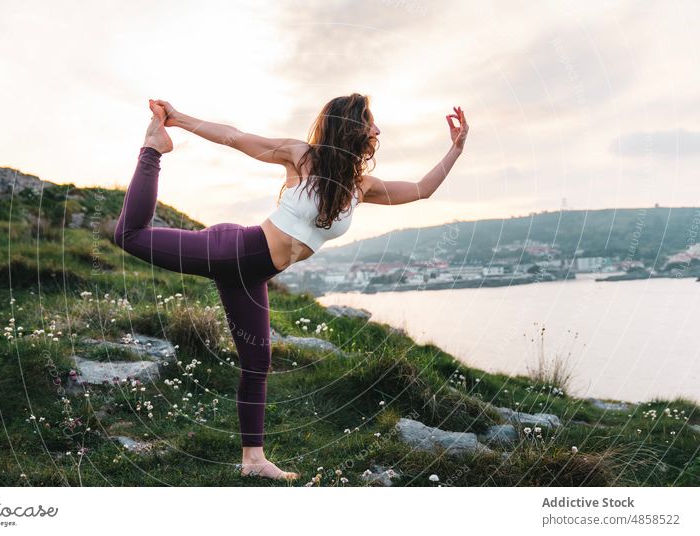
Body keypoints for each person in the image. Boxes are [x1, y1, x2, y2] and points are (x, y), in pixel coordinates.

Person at [113, 94, 468, 481]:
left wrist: (456, 148)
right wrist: (177, 120)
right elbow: (234, 137)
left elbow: (421, 189)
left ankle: (253, 461)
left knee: (257, 363)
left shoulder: (361, 187)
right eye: (371, 122)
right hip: (231, 250)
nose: (378, 130)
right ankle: (152, 148)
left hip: (252, 275)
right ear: (348, 126)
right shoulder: (301, 156)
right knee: (130, 235)